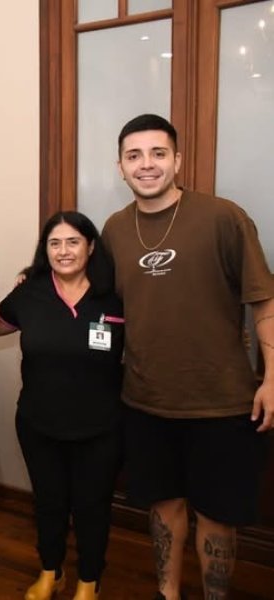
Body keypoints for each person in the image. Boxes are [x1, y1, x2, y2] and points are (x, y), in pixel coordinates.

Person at [102, 114, 274, 600]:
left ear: (177, 159)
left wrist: (273, 377)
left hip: (221, 402)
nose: (147, 164)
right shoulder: (115, 229)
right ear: (120, 167)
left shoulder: (223, 217)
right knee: (163, 506)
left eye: (158, 153)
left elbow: (263, 300)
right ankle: (168, 593)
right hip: (145, 400)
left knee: (219, 515)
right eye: (134, 156)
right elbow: (98, 302)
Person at [0, 211, 124, 600]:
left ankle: (89, 579)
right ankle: (51, 570)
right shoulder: (30, 291)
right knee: (48, 502)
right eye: (54, 243)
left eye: (72, 242)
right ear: (44, 250)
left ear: (90, 247)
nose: (63, 251)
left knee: (92, 507)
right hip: (39, 423)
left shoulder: (115, 293)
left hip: (101, 427)